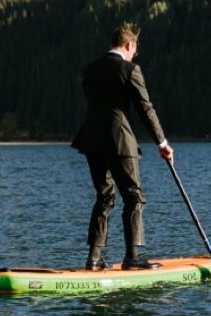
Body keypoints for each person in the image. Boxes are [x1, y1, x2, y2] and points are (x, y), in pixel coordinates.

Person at [71, 22, 174, 271]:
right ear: (129, 45)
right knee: (133, 197)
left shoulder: (89, 69)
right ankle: (132, 258)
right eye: (134, 50)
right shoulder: (130, 70)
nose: (134, 55)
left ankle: (93, 259)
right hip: (119, 141)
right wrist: (162, 142)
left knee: (104, 197)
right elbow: (145, 108)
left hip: (91, 140)